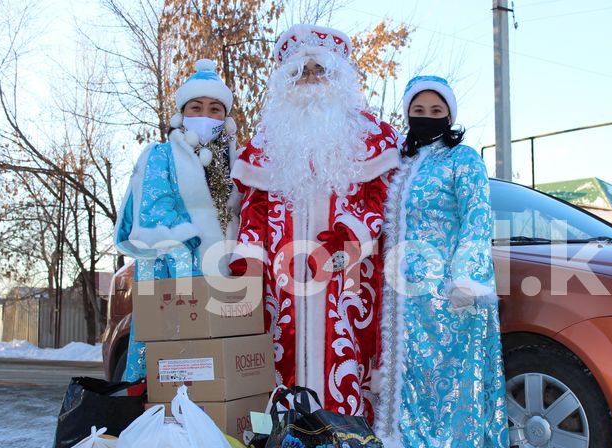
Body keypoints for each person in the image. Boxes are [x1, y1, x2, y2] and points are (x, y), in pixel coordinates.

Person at [229, 24, 399, 420]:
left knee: (349, 356)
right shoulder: (266, 144)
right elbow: (252, 209)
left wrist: (349, 237)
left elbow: (382, 199)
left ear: (338, 77)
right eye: (300, 73)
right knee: (277, 359)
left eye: (318, 70)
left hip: (349, 279)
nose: (310, 80)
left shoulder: (373, 137)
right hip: (281, 283)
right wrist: (248, 265)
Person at [373, 76, 515, 448]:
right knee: (408, 387)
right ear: (407, 111)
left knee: (449, 387)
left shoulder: (463, 159)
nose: (428, 118)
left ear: (450, 116)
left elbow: (477, 219)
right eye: (420, 109)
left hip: (450, 299)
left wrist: (467, 280)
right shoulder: (397, 163)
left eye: (438, 112)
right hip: (402, 303)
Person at [114, 59, 242, 381]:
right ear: (182, 114)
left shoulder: (238, 162)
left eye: (215, 109)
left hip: (231, 286)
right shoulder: (160, 155)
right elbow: (155, 211)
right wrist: (192, 270)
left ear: (225, 118)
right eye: (196, 107)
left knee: (226, 377)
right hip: (177, 279)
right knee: (175, 372)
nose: (205, 115)